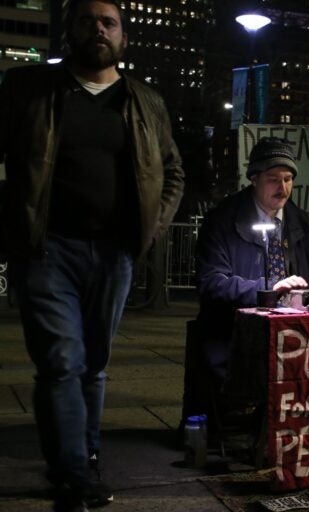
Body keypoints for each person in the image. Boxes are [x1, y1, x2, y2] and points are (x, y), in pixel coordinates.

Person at [0, 0, 185, 510]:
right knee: (62, 360)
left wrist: (148, 232)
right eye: (87, 21)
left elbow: (172, 173)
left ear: (124, 38)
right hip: (46, 249)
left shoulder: (145, 101)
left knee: (93, 365)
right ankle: (73, 470)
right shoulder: (29, 88)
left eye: (109, 23)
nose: (98, 29)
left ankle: (85, 453)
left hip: (114, 252)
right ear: (70, 32)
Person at [186, 137, 309, 424]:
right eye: (273, 179)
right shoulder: (223, 220)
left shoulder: (300, 221)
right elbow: (211, 282)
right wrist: (266, 290)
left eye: (288, 179)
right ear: (254, 179)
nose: (283, 188)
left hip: (293, 332)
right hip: (232, 330)